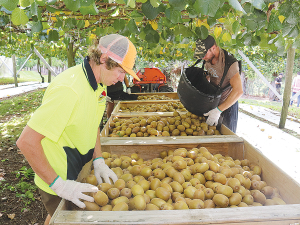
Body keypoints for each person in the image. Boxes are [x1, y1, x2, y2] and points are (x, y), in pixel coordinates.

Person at [16, 34, 140, 225]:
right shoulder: (70, 89)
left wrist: (98, 160)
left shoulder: (98, 84)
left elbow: (93, 125)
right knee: (62, 215)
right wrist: (60, 185)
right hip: (56, 176)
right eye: (121, 72)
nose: (123, 80)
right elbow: (26, 142)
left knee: (54, 216)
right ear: (105, 60)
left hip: (76, 169)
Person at [194, 35, 243, 133]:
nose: (203, 57)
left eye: (204, 54)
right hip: (215, 101)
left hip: (228, 105)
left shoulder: (229, 64)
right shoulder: (208, 59)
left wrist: (218, 111)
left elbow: (238, 91)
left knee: (227, 137)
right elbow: (213, 75)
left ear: (213, 48)